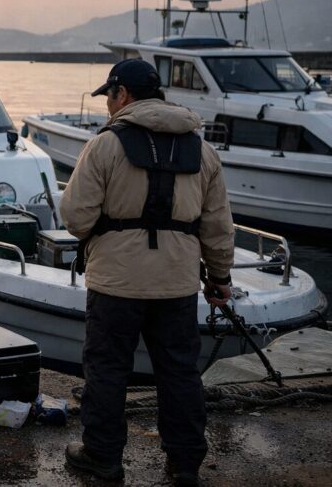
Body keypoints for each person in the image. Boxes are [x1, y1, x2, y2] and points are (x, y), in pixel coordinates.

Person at [60, 59, 234, 486]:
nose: (107, 105)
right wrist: (219, 278)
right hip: (176, 283)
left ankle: (102, 456)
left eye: (109, 96)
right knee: (179, 371)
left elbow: (76, 218)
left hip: (116, 283)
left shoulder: (104, 145)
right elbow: (217, 226)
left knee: (107, 369)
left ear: (122, 94)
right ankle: (185, 463)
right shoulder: (203, 151)